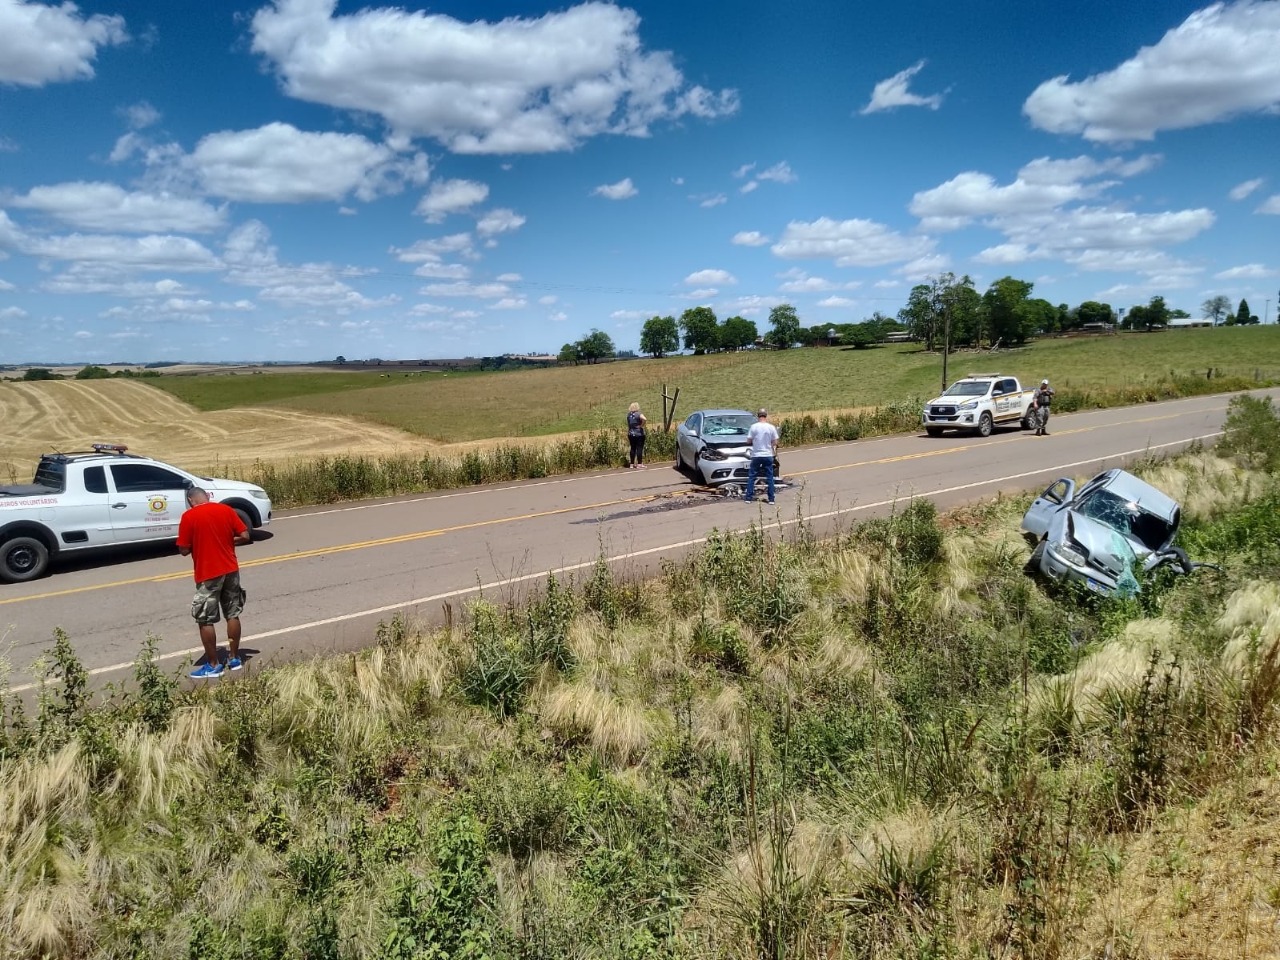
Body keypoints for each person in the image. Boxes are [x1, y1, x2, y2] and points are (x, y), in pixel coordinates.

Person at [177, 486, 251, 678]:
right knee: (232, 613)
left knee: (205, 618)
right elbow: (245, 536)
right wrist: (227, 542)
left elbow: (184, 549)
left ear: (191, 500)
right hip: (231, 569)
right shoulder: (225, 510)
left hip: (208, 573)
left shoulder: (189, 517)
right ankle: (234, 658)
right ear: (207, 497)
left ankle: (213, 665)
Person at [744, 408, 780, 504]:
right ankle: (771, 499)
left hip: (756, 454)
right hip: (768, 454)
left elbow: (748, 440)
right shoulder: (771, 427)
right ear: (766, 416)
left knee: (752, 476)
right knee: (769, 477)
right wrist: (769, 445)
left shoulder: (753, 427)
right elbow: (775, 441)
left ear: (758, 416)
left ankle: (748, 497)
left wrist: (755, 442)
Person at [626, 401, 648, 469]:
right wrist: (641, 425)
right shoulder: (638, 414)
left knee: (632, 448)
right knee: (639, 448)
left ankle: (631, 464)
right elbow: (645, 419)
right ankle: (639, 464)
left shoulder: (629, 415)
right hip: (639, 434)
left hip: (631, 433)